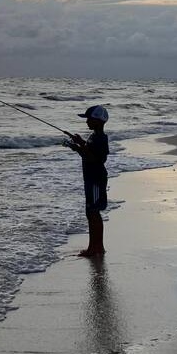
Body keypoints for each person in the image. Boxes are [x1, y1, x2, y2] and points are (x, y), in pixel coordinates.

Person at [67, 105, 109, 257]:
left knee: (94, 212)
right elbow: (90, 151)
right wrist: (80, 142)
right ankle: (95, 246)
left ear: (98, 121)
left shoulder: (100, 139)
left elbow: (96, 158)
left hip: (96, 180)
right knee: (90, 212)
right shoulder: (95, 137)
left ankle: (97, 248)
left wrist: (77, 148)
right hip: (92, 179)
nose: (87, 122)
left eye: (89, 119)